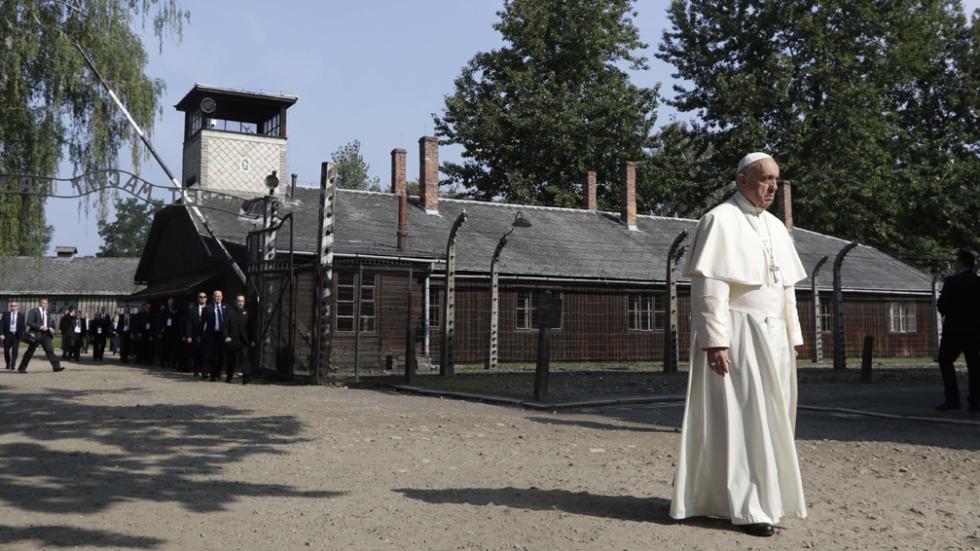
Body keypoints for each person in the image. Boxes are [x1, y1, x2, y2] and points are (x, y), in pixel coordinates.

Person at [670, 152, 808, 537]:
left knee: (774, 418)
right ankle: (749, 508)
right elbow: (709, 289)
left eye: (777, 181)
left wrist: (793, 336)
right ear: (743, 180)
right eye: (766, 179)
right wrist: (716, 341)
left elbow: (787, 290)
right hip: (739, 331)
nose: (773, 188)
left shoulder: (778, 229)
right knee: (744, 418)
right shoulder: (719, 220)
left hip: (774, 335)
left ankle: (769, 498)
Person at [935, 249, 980, 413]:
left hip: (954, 329)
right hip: (975, 330)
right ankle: (975, 400)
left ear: (961, 263)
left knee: (945, 361)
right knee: (974, 365)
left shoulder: (952, 281)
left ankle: (952, 399)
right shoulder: (978, 282)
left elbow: (942, 305)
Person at [18, 298, 64, 372]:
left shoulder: (47, 313)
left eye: (46, 303)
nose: (45, 305)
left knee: (50, 350)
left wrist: (51, 328)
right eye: (44, 303)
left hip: (45, 335)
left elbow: (49, 323)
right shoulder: (34, 311)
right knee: (30, 351)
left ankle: (56, 367)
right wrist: (40, 327)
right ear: (40, 303)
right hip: (35, 334)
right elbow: (29, 322)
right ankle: (22, 368)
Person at [222, 294, 255, 384]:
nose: (240, 303)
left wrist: (252, 339)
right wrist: (226, 336)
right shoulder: (230, 312)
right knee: (231, 360)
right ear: (235, 302)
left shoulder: (247, 312)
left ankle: (246, 377)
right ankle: (229, 376)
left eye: (242, 301)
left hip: (243, 340)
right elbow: (225, 326)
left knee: (244, 358)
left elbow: (250, 327)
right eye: (239, 301)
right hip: (233, 339)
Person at [202, 290, 229, 381]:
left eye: (219, 296)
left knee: (221, 355)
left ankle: (218, 371)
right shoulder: (208, 308)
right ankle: (213, 374)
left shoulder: (226, 307)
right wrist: (200, 334)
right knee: (213, 355)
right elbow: (202, 322)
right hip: (211, 334)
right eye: (216, 296)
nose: (218, 298)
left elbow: (229, 322)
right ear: (213, 297)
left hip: (223, 335)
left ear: (222, 297)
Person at [185, 291, 208, 378]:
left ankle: (205, 371)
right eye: (200, 297)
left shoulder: (210, 308)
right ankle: (196, 370)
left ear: (206, 298)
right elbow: (189, 324)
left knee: (206, 353)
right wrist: (189, 336)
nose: (202, 298)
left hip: (206, 334)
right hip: (196, 334)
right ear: (198, 298)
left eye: (204, 297)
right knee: (197, 353)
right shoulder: (193, 309)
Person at [2, 301, 26, 370]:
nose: (13, 307)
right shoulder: (6, 314)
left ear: (17, 307)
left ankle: (13, 364)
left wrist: (21, 335)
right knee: (6, 350)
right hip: (7, 335)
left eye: (15, 306)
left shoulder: (21, 315)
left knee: (15, 351)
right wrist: (1, 334)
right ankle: (8, 363)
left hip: (16, 335)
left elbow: (22, 326)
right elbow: (1, 324)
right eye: (12, 306)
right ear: (10, 307)